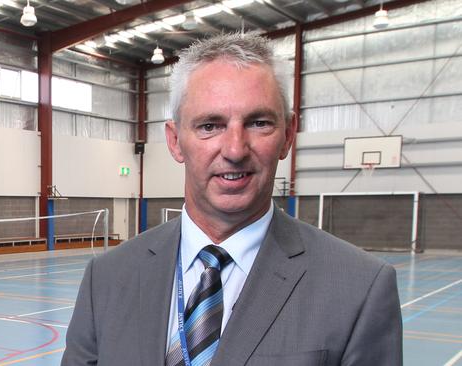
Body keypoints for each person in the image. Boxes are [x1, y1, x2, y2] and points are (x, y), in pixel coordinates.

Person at [61, 33, 402, 366]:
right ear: (175, 141)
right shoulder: (105, 278)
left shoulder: (360, 288)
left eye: (258, 123)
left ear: (286, 136)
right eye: (210, 125)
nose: (235, 149)